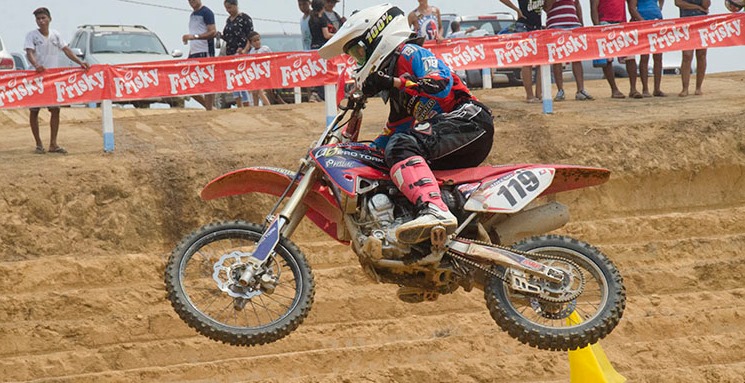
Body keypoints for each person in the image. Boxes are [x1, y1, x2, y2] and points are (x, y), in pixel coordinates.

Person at [319, 4, 494, 251]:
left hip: (470, 121)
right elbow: (393, 133)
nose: (358, 61)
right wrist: (350, 153)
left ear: (376, 37)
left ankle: (435, 210)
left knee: (401, 145)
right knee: (388, 157)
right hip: (446, 135)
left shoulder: (410, 53)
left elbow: (440, 83)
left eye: (358, 53)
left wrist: (395, 81)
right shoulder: (397, 95)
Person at [24, 7, 90, 155]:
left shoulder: (56, 35)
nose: (41, 21)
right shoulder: (31, 36)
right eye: (38, 19)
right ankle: (38, 144)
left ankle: (53, 143)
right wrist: (36, 65)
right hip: (36, 78)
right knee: (34, 111)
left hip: (52, 79)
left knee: (55, 110)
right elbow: (29, 52)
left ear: (49, 19)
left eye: (43, 18)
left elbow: (66, 50)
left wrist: (80, 63)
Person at [590, 0, 642, 98]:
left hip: (621, 23)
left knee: (630, 56)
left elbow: (632, 3)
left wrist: (633, 15)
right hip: (605, 23)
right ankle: (614, 89)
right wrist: (597, 27)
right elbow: (594, 7)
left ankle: (633, 89)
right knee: (608, 59)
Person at [544, 0, 594, 101]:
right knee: (557, 59)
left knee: (577, 58)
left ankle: (580, 90)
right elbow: (546, 8)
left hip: (573, 24)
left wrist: (581, 22)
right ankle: (560, 90)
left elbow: (577, 4)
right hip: (555, 25)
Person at [499, 0, 543, 103]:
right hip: (524, 26)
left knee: (541, 62)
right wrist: (517, 9)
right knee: (527, 62)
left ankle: (539, 94)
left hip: (537, 27)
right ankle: (530, 95)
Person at [182, 0, 217, 110]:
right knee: (186, 81)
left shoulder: (207, 12)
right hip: (194, 52)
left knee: (207, 81)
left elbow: (212, 31)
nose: (191, 2)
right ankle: (209, 107)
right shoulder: (192, 15)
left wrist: (195, 37)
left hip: (205, 50)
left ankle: (209, 109)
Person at [629, 0, 666, 97]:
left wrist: (659, 8)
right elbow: (632, 7)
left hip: (656, 20)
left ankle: (657, 88)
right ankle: (645, 89)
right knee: (645, 56)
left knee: (658, 56)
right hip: (644, 22)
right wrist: (641, 20)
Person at [221, 0, 254, 108]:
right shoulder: (228, 21)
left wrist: (245, 50)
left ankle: (246, 103)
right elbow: (227, 37)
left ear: (235, 6)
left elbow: (250, 36)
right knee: (233, 79)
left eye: (230, 7)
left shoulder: (245, 18)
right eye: (226, 8)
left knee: (242, 78)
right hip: (230, 52)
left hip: (241, 52)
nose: (228, 10)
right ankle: (238, 103)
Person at [676, 0, 709, 96]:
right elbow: (678, 3)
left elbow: (706, 5)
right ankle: (685, 88)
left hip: (701, 21)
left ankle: (698, 87)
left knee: (701, 54)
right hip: (686, 22)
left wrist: (699, 7)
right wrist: (697, 7)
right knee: (687, 55)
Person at [308, 0, 333, 102]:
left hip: (313, 47)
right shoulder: (322, 19)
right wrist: (338, 35)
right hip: (322, 47)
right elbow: (326, 35)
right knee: (325, 71)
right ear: (322, 7)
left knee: (317, 72)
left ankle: (317, 93)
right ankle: (323, 95)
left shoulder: (311, 19)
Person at [246, 31, 272, 107]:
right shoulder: (251, 51)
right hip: (255, 73)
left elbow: (272, 58)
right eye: (254, 41)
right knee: (254, 92)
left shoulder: (265, 49)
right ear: (251, 43)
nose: (257, 42)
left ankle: (268, 106)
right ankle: (256, 107)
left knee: (260, 91)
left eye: (258, 40)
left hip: (264, 72)